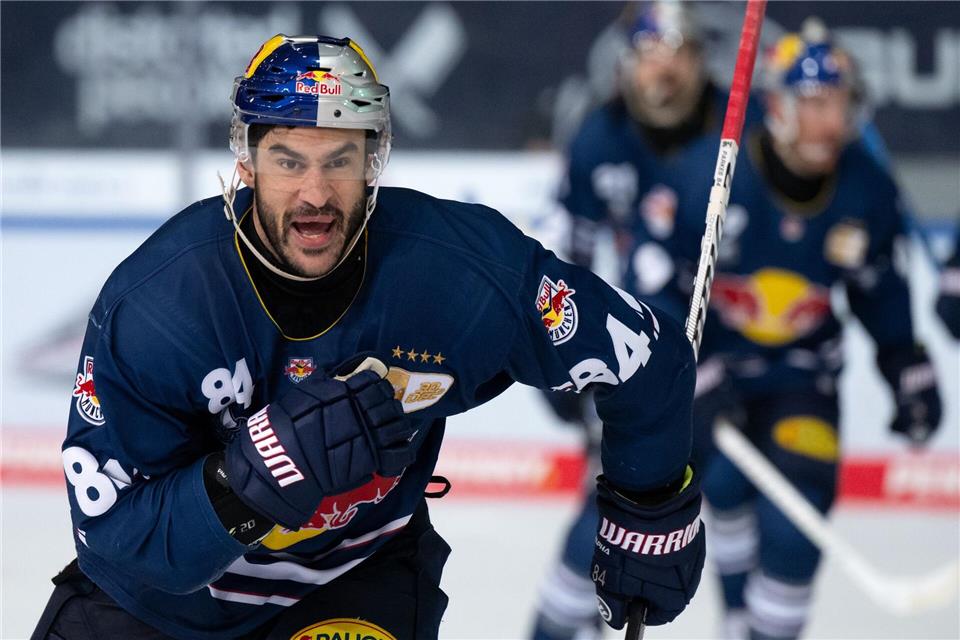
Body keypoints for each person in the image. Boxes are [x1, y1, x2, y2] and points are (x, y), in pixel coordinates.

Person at [32, 34, 705, 640]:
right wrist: (248, 483)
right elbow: (113, 530)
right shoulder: (159, 306)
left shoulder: (461, 275)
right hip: (158, 612)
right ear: (247, 162)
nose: (315, 194)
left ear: (375, 160)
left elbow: (648, 358)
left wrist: (649, 505)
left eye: (341, 160)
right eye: (289, 161)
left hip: (350, 583)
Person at [671, 21, 943, 640]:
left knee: (796, 535)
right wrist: (684, 368)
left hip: (802, 381)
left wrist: (907, 366)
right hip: (715, 374)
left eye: (841, 103)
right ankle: (738, 623)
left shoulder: (867, 188)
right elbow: (661, 289)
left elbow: (880, 292)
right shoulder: (712, 176)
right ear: (776, 106)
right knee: (723, 491)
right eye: (816, 104)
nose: (832, 121)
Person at [530, 4, 762, 638]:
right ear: (627, 64)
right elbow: (562, 255)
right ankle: (556, 627)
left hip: (742, 355)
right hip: (648, 351)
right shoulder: (600, 135)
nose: (663, 71)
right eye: (649, 55)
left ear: (699, 63)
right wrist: (559, 354)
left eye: (678, 54)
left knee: (737, 499)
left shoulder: (745, 133)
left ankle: (746, 624)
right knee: (612, 507)